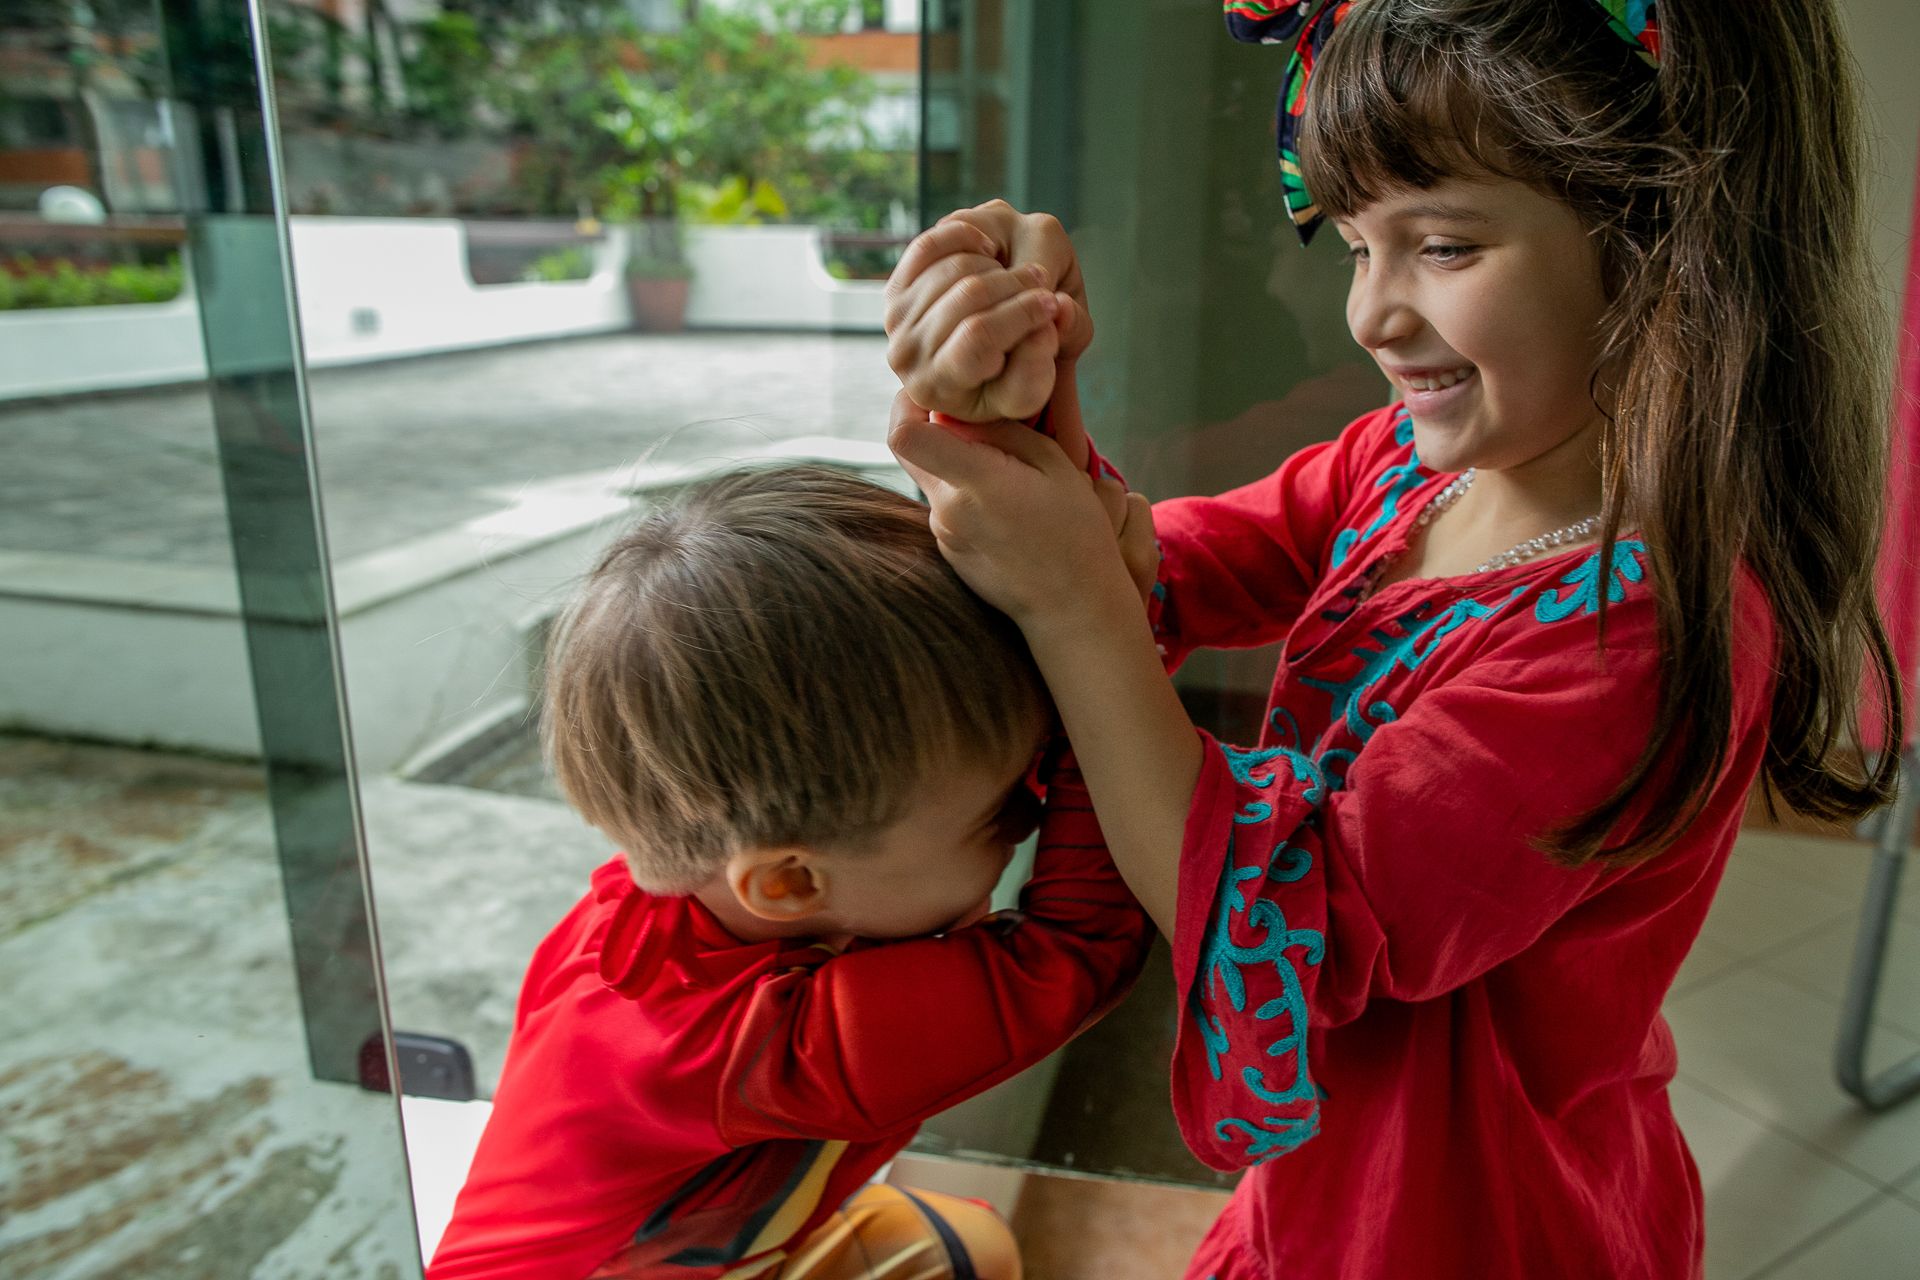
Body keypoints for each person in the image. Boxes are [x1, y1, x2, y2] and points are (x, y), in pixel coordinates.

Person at [880, 2, 1901, 1276]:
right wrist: (1036, 393)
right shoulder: (1408, 471)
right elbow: (1162, 576)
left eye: (1445, 245)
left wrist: (1073, 597)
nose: (1370, 311)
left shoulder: (1641, 633)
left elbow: (1283, 921)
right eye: (1360, 243)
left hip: (1467, 1227)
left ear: (1666, 241)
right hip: (1327, 1189)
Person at [427, 466, 1156, 1280]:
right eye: (999, 813)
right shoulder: (749, 1046)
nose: (1033, 815)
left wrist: (1089, 599)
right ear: (790, 883)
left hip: (697, 1247)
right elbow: (1077, 953)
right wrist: (1114, 664)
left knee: (964, 1250)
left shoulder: (704, 892)